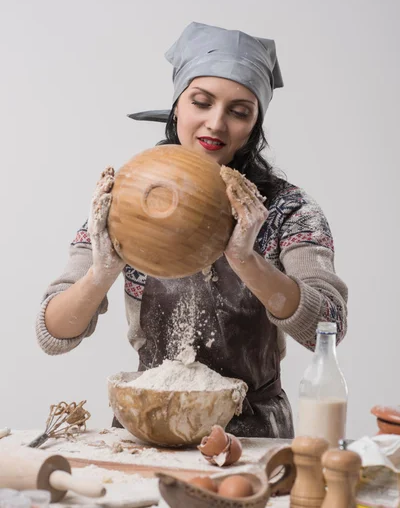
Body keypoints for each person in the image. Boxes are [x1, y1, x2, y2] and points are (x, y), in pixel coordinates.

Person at [36, 22, 348, 438]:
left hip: (253, 435)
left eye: (239, 112)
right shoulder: (126, 198)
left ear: (254, 125)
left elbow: (328, 325)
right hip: (150, 423)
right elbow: (53, 333)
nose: (216, 124)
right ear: (177, 106)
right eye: (201, 102)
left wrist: (246, 259)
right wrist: (102, 271)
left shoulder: (286, 210)